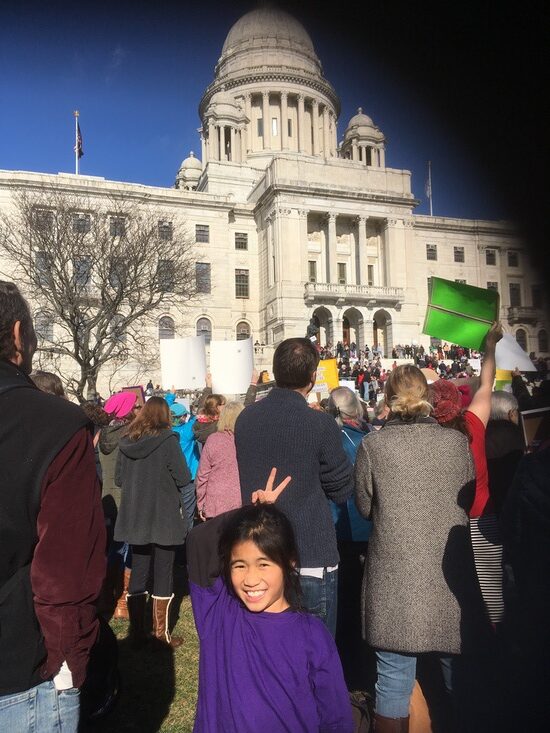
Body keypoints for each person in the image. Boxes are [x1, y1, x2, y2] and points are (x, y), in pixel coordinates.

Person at [354, 364, 485, 730]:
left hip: (395, 577)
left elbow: (364, 508)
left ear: (388, 399)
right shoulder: (456, 443)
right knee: (457, 680)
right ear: (427, 397)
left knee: (393, 681)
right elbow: (467, 496)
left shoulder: (373, 445)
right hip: (447, 576)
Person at [0, 281, 105, 731]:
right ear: (19, 336)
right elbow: (65, 570)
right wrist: (68, 659)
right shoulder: (56, 425)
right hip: (23, 664)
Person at [186, 469, 354, 733]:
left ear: (289, 562)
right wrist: (252, 512)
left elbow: (335, 716)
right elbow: (198, 539)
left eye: (263, 564)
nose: (251, 579)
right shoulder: (219, 614)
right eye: (239, 565)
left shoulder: (312, 633)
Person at [235, 337, 354, 635]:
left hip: (260, 551)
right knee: (312, 652)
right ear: (312, 377)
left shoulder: (246, 418)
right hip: (308, 553)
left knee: (268, 648)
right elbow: (341, 490)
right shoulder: (320, 424)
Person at [431, 322, 505, 627]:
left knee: (456, 598)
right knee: (493, 597)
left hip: (448, 527)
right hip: (483, 519)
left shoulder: (430, 438)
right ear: (458, 402)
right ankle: (498, 650)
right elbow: (487, 384)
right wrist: (490, 346)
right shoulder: (474, 422)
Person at [114, 396, 191, 648]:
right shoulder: (168, 441)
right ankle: (159, 634)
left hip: (136, 516)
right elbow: (183, 477)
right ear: (165, 415)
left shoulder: (126, 441)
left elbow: (119, 479)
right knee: (163, 573)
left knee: (139, 570)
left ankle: (138, 633)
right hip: (164, 516)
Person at [98, 391, 138, 620]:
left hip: (107, 498)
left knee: (111, 548)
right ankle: (122, 600)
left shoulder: (103, 434)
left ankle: (106, 596)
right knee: (127, 548)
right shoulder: (130, 435)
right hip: (126, 498)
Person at [196, 401, 243, 520]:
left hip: (215, 501)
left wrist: (201, 503)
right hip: (240, 500)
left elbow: (203, 475)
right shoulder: (246, 439)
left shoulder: (213, 439)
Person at [485, 391, 524, 515]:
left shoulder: (479, 435)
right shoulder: (521, 436)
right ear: (512, 413)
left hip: (488, 505)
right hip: (517, 505)